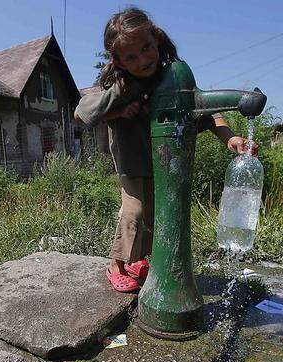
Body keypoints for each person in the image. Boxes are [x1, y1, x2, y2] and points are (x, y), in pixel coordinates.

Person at [74, 7, 256, 293]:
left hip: (162, 160)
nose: (143, 60)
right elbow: (81, 113)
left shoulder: (171, 76)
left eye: (146, 48)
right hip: (131, 159)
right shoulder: (119, 83)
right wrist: (118, 108)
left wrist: (230, 138)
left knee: (152, 215)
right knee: (133, 212)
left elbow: (204, 112)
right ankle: (116, 265)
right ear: (118, 60)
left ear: (156, 39)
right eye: (131, 57)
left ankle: (137, 261)